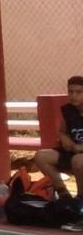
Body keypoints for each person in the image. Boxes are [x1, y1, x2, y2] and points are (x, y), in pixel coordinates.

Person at [31, 75, 83, 205]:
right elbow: (62, 131)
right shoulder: (68, 110)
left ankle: (80, 198)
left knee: (78, 160)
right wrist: (64, 138)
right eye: (70, 92)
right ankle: (64, 194)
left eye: (78, 92)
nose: (74, 96)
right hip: (72, 151)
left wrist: (80, 147)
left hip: (79, 155)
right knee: (41, 156)